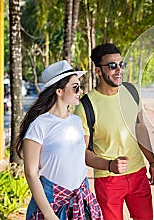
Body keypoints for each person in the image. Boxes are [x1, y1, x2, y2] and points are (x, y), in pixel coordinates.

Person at [74, 43, 154, 220]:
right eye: (112, 66)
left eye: (121, 64)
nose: (119, 70)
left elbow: (141, 129)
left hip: (138, 174)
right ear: (98, 71)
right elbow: (83, 153)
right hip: (108, 179)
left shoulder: (131, 92)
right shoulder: (86, 106)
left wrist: (152, 162)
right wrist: (110, 165)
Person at [15, 60, 103, 220]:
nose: (80, 91)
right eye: (75, 87)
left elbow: (79, 157)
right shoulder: (39, 125)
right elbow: (30, 172)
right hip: (51, 204)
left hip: (80, 200)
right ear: (59, 91)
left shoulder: (76, 121)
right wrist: (49, 214)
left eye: (80, 86)